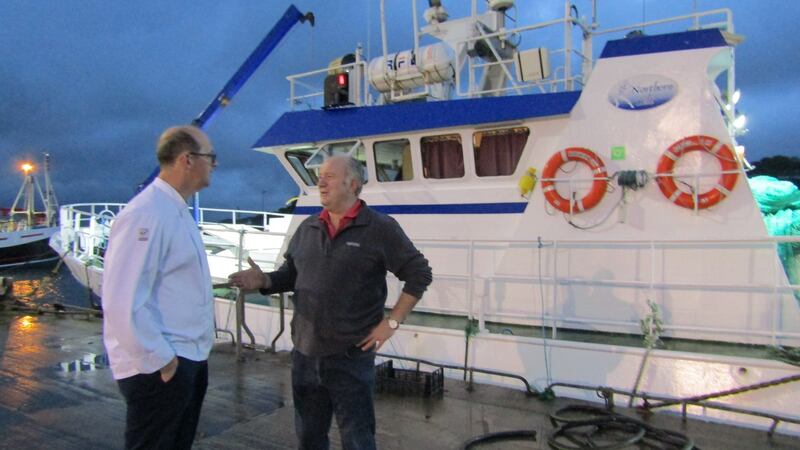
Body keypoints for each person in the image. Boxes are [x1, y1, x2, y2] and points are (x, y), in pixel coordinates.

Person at [228, 154, 432, 450]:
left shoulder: (380, 228)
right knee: (309, 439)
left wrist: (392, 322)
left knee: (357, 439)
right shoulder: (308, 228)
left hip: (350, 359)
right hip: (305, 356)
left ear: (353, 184)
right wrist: (263, 281)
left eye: (330, 176)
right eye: (320, 175)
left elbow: (419, 273)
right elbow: (290, 275)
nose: (320, 182)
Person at [102, 125, 218, 449]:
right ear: (187, 160)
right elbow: (121, 300)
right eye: (212, 157)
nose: (215, 165)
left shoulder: (174, 210)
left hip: (185, 359)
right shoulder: (147, 213)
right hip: (160, 367)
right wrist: (161, 360)